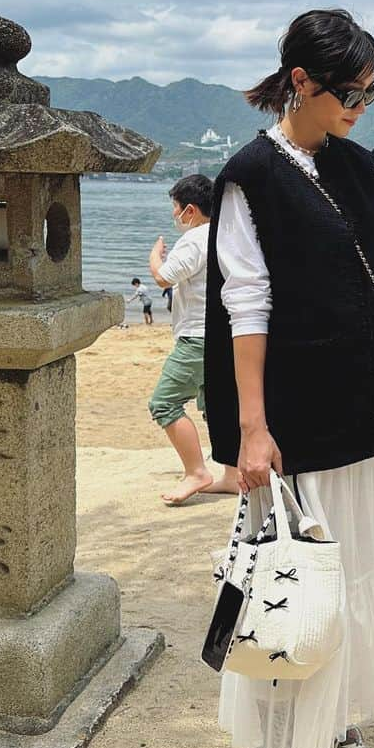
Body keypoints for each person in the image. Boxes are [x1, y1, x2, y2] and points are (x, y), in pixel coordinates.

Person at [204, 9, 374, 748]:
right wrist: (252, 429)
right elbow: (246, 306)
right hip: (296, 418)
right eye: (351, 89)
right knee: (296, 587)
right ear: (300, 80)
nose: (362, 104)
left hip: (364, 403)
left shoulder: (358, 166)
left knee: (363, 576)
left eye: (373, 91)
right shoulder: (250, 177)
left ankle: (335, 733)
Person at [146, 175, 238, 506]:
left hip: (196, 338)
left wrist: (155, 256)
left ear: (189, 210)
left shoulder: (194, 238)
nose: (173, 216)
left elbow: (162, 278)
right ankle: (232, 475)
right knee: (216, 405)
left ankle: (196, 472)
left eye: (175, 209)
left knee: (164, 403)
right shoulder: (227, 234)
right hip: (225, 334)